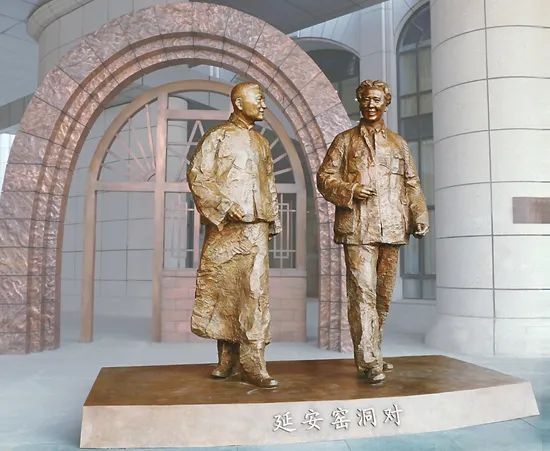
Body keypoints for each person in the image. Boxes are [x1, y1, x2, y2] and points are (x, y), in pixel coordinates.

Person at [317, 80, 429, 384]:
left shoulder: (398, 144)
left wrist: (419, 215)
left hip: (391, 227)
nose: (370, 104)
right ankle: (368, 360)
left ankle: (374, 350)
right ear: (359, 101)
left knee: (382, 296)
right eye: (366, 99)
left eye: (377, 100)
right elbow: (324, 178)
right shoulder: (344, 141)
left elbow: (412, 184)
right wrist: (350, 189)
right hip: (357, 228)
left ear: (386, 103)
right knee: (362, 293)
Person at [187, 82, 281, 388]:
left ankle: (254, 364)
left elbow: (270, 185)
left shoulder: (262, 143)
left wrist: (272, 221)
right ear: (239, 103)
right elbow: (198, 176)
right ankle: (227, 358)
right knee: (225, 290)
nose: (264, 105)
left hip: (255, 227)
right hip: (225, 228)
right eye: (259, 99)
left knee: (255, 293)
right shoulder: (217, 137)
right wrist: (225, 205)